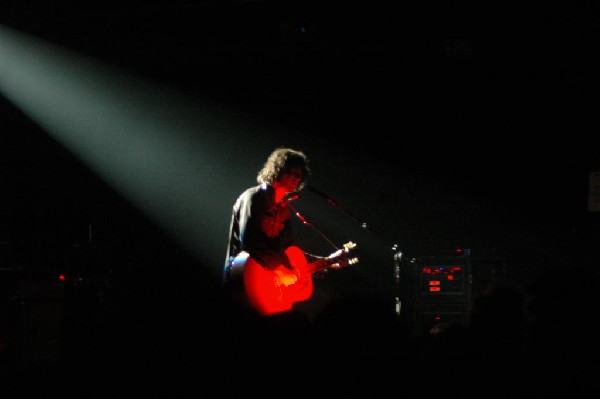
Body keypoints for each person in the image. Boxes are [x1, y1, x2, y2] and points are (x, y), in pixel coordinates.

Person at [222, 147, 347, 316]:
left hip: (271, 290)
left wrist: (326, 262)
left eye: (299, 175)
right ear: (277, 170)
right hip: (244, 281)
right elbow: (251, 241)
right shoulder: (253, 197)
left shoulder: (284, 208)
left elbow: (290, 250)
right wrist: (280, 268)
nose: (296, 178)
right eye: (292, 172)